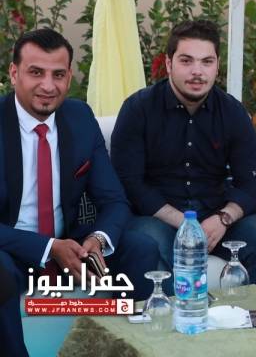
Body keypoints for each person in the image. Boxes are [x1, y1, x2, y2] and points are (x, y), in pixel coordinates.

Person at [0, 28, 159, 356]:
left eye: (58, 75)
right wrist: (48, 248)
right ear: (14, 73)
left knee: (141, 247)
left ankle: (139, 349)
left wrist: (97, 240)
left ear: (69, 77)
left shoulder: (79, 117)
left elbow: (114, 199)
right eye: (36, 72)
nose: (48, 86)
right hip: (11, 248)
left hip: (70, 244)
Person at [111, 20, 256, 295]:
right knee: (146, 242)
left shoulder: (232, 112)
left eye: (207, 62)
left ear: (217, 66)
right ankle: (171, 319)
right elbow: (129, 182)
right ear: (169, 63)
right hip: (159, 219)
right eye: (186, 61)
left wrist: (223, 218)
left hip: (217, 219)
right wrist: (186, 224)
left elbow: (252, 182)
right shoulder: (139, 109)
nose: (197, 71)